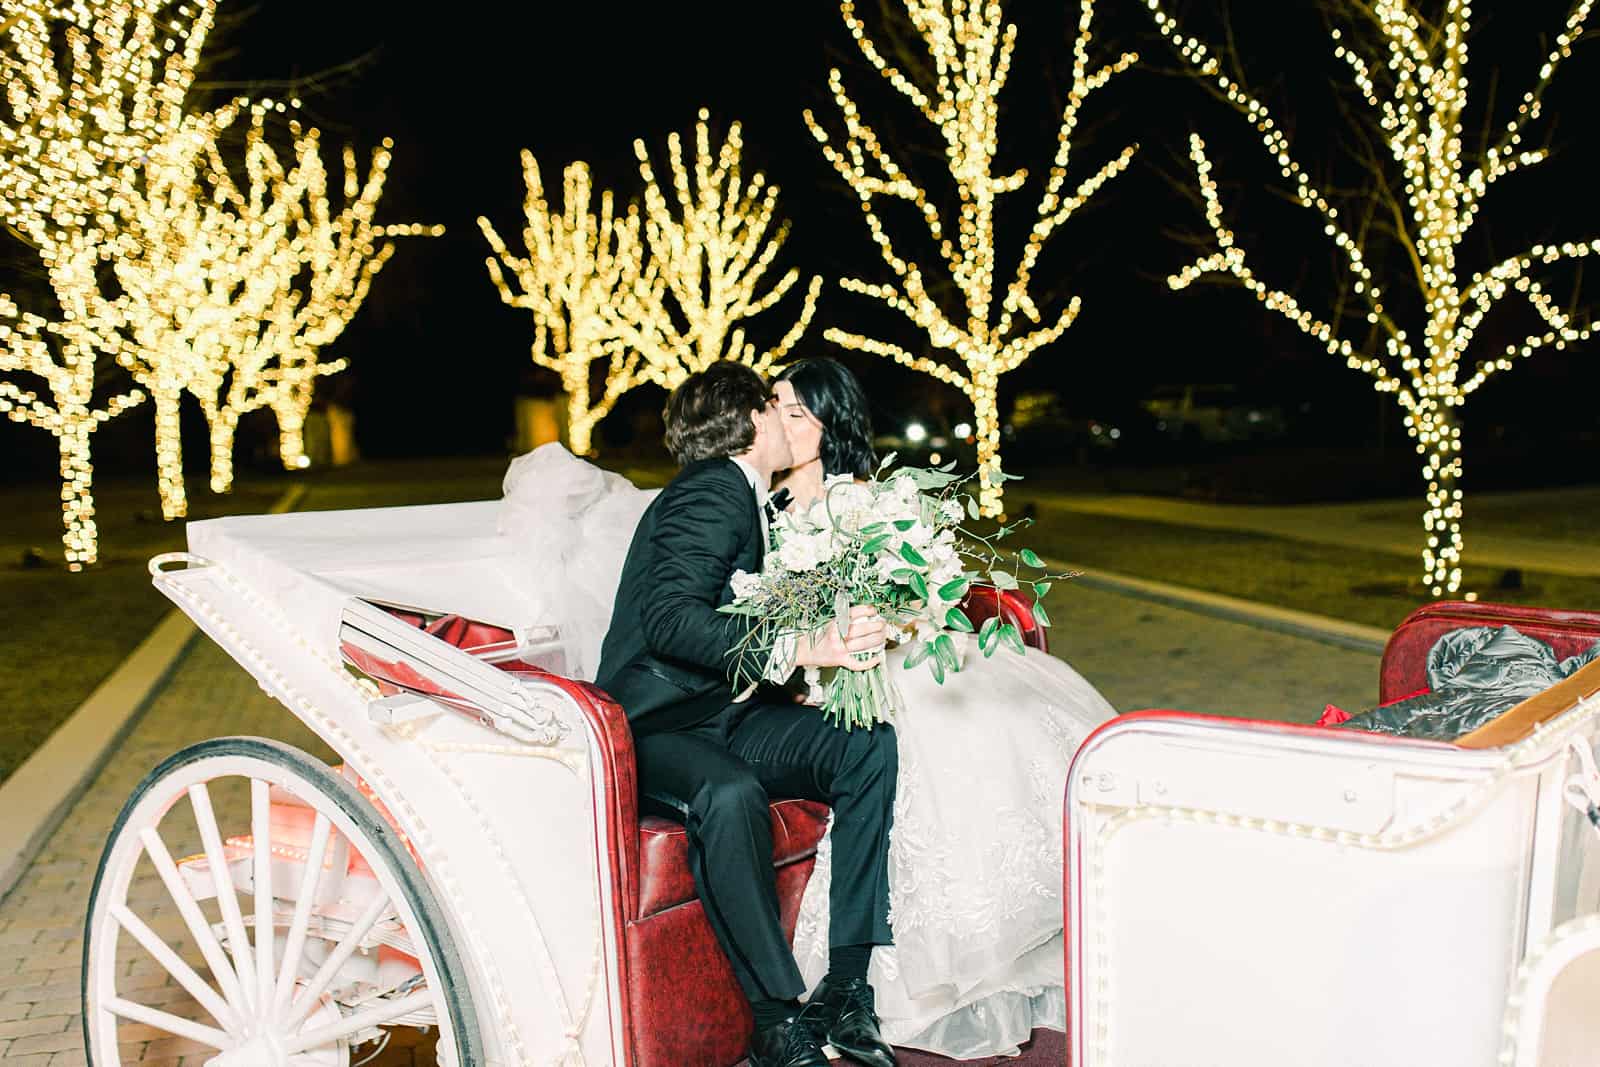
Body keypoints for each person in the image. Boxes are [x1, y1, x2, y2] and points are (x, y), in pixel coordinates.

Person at [772, 358, 1117, 1058]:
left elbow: (923, 592)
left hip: (902, 659)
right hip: (823, 672)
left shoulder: (868, 498)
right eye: (774, 405)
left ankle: (1008, 935)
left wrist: (889, 615)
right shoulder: (765, 506)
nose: (779, 421)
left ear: (828, 423)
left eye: (796, 411)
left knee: (981, 729)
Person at [593, 361, 901, 1067]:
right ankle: (773, 1019)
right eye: (775, 405)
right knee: (727, 793)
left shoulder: (747, 496)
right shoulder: (712, 491)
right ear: (754, 419)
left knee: (864, 745)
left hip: (722, 713)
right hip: (655, 726)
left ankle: (847, 985)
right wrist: (800, 645)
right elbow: (671, 619)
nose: (784, 419)